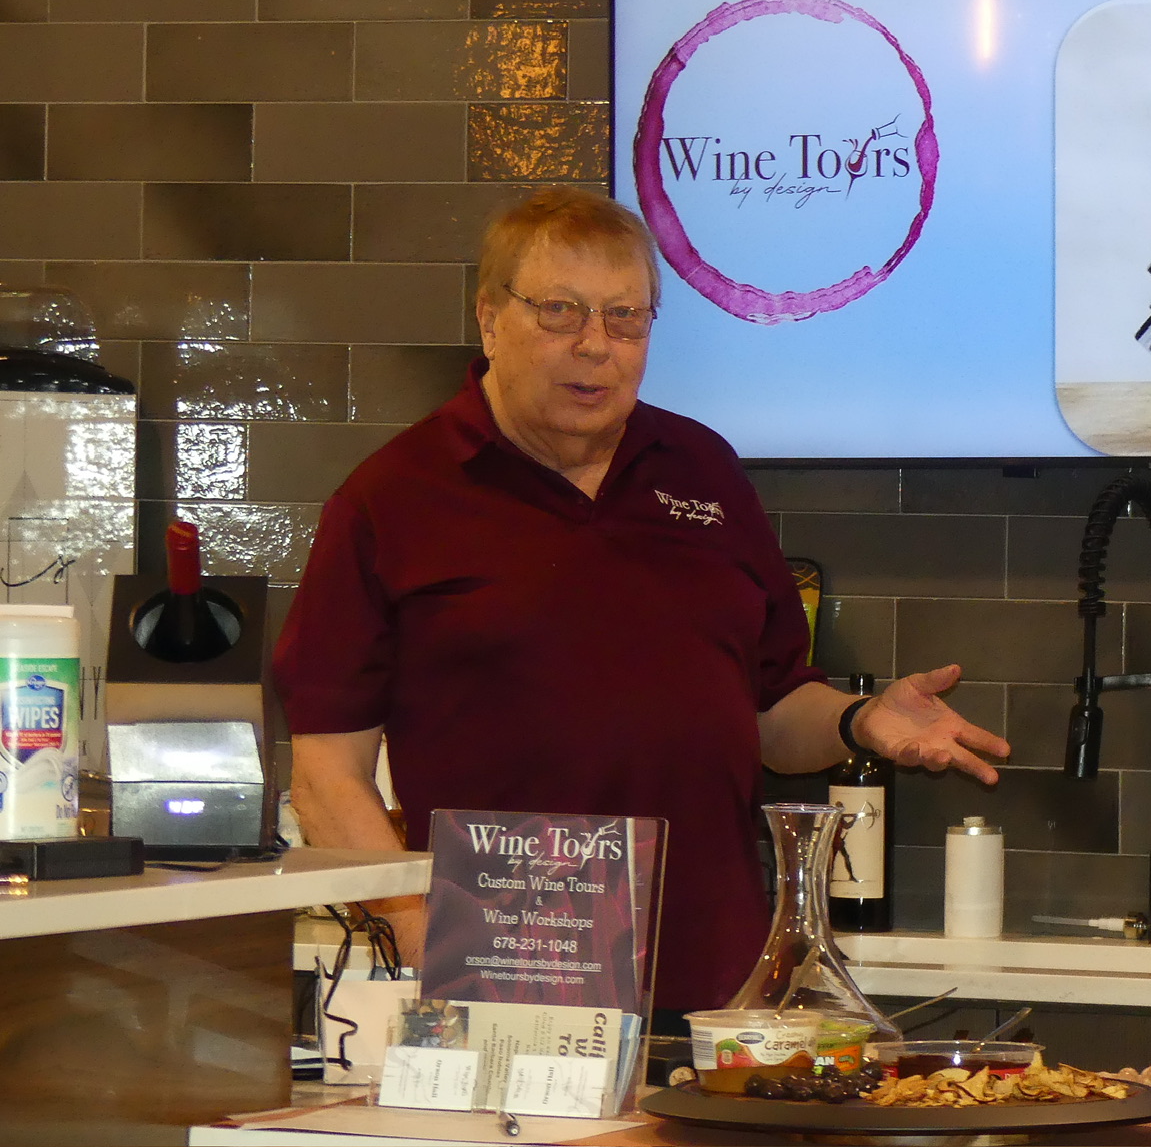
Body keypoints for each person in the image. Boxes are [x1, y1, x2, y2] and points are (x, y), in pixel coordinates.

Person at [274, 188, 1007, 1013]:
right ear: (488, 318)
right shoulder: (392, 498)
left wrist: (857, 719)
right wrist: (420, 932)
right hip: (506, 989)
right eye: (560, 312)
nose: (596, 346)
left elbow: (770, 712)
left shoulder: (703, 469)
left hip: (715, 989)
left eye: (626, 318)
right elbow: (327, 773)